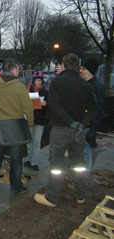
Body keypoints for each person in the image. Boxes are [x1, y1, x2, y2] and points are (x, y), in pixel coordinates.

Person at [33, 53, 98, 207]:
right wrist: (82, 123)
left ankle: (51, 198)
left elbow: (55, 106)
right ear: (76, 65)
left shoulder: (57, 83)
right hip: (78, 131)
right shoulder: (85, 85)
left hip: (60, 129)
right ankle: (80, 195)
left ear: (63, 65)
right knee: (78, 164)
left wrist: (70, 122)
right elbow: (94, 107)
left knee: (56, 165)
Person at [0, 58, 34, 195]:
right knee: (16, 160)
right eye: (18, 69)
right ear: (13, 69)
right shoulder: (19, 87)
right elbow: (28, 108)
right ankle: (16, 187)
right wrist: (29, 123)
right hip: (16, 130)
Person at [24, 69, 49, 171]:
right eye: (36, 80)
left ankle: (35, 162)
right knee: (29, 141)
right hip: (29, 118)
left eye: (40, 80)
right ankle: (29, 159)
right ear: (33, 80)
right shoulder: (28, 90)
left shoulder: (45, 92)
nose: (38, 82)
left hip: (40, 120)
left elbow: (50, 106)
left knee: (37, 141)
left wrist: (45, 104)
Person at [80, 58, 105, 148]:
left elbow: (100, 110)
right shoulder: (80, 84)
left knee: (85, 154)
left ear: (90, 71)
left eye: (83, 69)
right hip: (78, 124)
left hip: (87, 126)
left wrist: (92, 131)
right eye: (80, 68)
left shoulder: (98, 87)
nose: (80, 71)